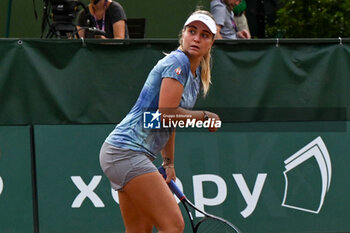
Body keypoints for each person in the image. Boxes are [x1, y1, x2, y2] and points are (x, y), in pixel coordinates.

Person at [99, 10, 220, 233]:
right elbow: (166, 114)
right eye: (192, 31)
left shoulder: (193, 76)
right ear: (182, 35)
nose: (196, 38)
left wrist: (168, 163)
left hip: (118, 153)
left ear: (212, 41)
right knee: (173, 225)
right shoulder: (178, 61)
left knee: (139, 230)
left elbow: (163, 121)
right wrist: (204, 117)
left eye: (204, 35)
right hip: (126, 152)